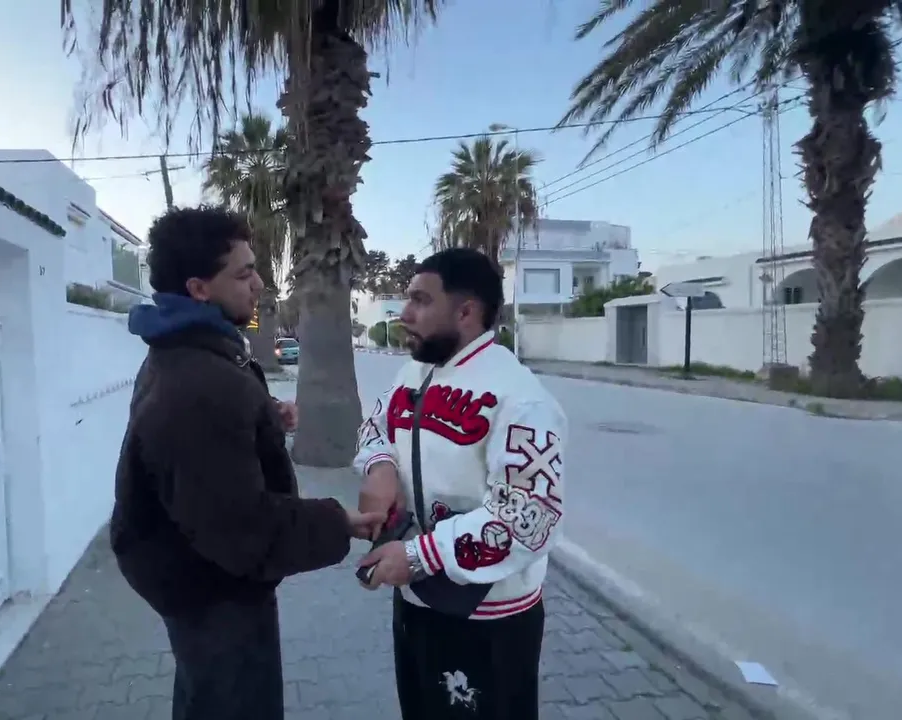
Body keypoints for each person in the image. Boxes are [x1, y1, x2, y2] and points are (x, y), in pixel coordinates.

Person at [110, 205, 384, 720]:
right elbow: (241, 526)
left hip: (198, 579)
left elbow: (203, 453)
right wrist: (337, 521)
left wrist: (262, 415)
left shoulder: (188, 350)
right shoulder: (199, 383)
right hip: (213, 591)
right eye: (243, 274)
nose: (259, 284)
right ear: (198, 289)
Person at [355, 247, 567, 720]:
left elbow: (529, 519)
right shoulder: (414, 372)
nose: (404, 314)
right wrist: (380, 466)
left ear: (466, 312)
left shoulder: (522, 399)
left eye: (420, 300)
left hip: (488, 620)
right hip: (415, 601)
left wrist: (418, 556)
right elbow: (374, 427)